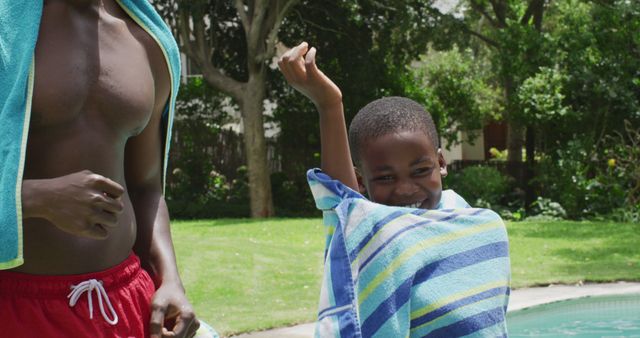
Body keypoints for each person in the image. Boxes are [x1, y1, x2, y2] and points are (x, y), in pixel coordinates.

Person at [0, 1, 215, 337]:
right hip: (13, 307)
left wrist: (170, 279)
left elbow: (145, 186)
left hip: (125, 304)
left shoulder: (147, 39)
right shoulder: (5, 30)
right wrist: (35, 198)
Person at [279, 42, 510, 337]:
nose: (405, 189)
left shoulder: (483, 226)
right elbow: (343, 204)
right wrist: (329, 105)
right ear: (361, 183)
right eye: (386, 178)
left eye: (420, 171)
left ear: (441, 162)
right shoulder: (378, 233)